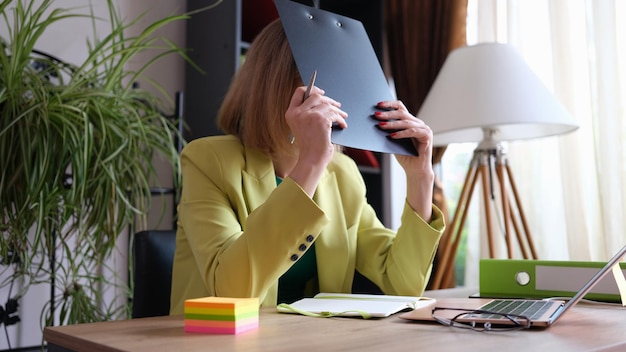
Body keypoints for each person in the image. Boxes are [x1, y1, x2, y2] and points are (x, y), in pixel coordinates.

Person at [169, 19, 445, 314]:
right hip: (215, 339)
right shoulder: (207, 160)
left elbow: (401, 283)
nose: (338, 101)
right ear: (274, 87)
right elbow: (231, 291)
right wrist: (311, 161)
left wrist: (420, 177)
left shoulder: (342, 173)